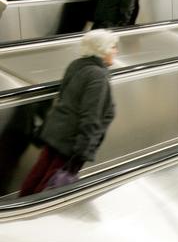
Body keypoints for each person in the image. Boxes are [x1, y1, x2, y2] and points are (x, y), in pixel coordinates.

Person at [19, 30, 118, 196]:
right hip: (71, 141)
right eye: (113, 47)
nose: (116, 51)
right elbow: (92, 116)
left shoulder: (77, 64)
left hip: (55, 132)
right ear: (103, 50)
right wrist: (83, 151)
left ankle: (22, 202)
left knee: (38, 173)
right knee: (50, 186)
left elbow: (64, 96)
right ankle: (34, 216)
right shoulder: (98, 76)